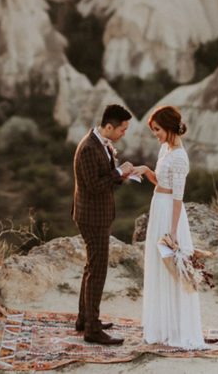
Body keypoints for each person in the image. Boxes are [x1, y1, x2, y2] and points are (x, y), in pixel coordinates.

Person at [132, 105, 207, 349]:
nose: (156, 134)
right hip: (158, 206)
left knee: (173, 268)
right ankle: (162, 326)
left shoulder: (179, 157)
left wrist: (173, 232)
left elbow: (177, 197)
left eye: (157, 129)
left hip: (170, 214)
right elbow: (161, 182)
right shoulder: (165, 148)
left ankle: (179, 329)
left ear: (168, 127)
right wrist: (146, 171)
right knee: (157, 265)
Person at [72, 104, 135, 345]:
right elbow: (94, 186)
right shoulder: (89, 148)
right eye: (123, 129)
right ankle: (92, 330)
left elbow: (102, 179)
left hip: (97, 214)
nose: (123, 134)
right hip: (92, 217)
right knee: (97, 271)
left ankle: (84, 319)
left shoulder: (100, 143)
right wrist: (118, 172)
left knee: (91, 267)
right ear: (109, 126)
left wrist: (121, 175)